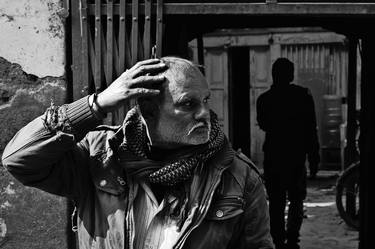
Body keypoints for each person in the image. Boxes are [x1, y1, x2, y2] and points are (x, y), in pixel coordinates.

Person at [2, 57, 274, 249]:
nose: (205, 114)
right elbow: (18, 159)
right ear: (149, 109)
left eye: (205, 101)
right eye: (188, 104)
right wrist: (95, 105)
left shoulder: (237, 176)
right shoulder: (99, 158)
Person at [256, 58, 320, 249]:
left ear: (274, 75)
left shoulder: (265, 99)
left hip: (274, 156)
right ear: (290, 75)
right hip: (296, 156)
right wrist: (314, 157)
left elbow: (264, 124)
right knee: (296, 199)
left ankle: (278, 240)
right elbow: (311, 129)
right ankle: (292, 239)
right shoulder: (303, 96)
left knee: (276, 201)